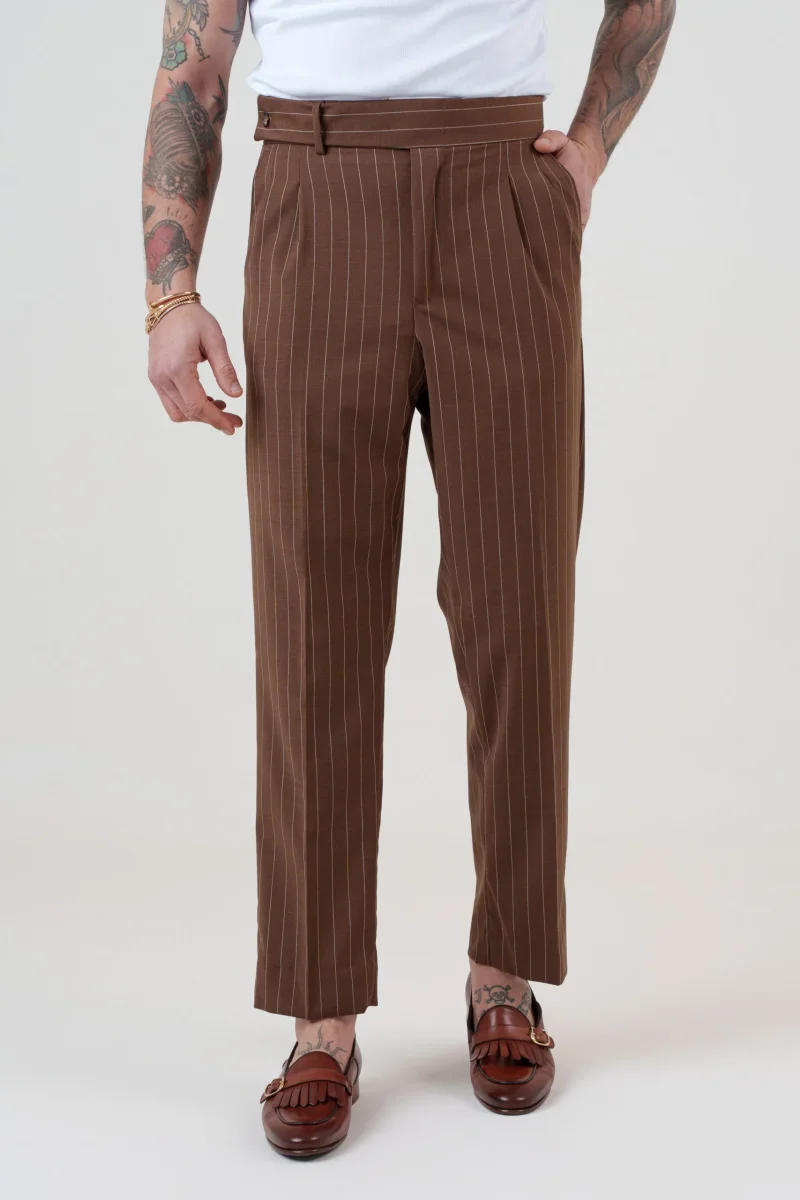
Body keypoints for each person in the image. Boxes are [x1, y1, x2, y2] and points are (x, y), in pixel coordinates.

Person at [143, 0, 676, 1158]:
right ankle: (318, 1014)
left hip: (501, 192)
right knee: (311, 625)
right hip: (315, 185)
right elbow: (195, 59)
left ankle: (505, 974)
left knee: (518, 608)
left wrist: (588, 143)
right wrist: (171, 292)